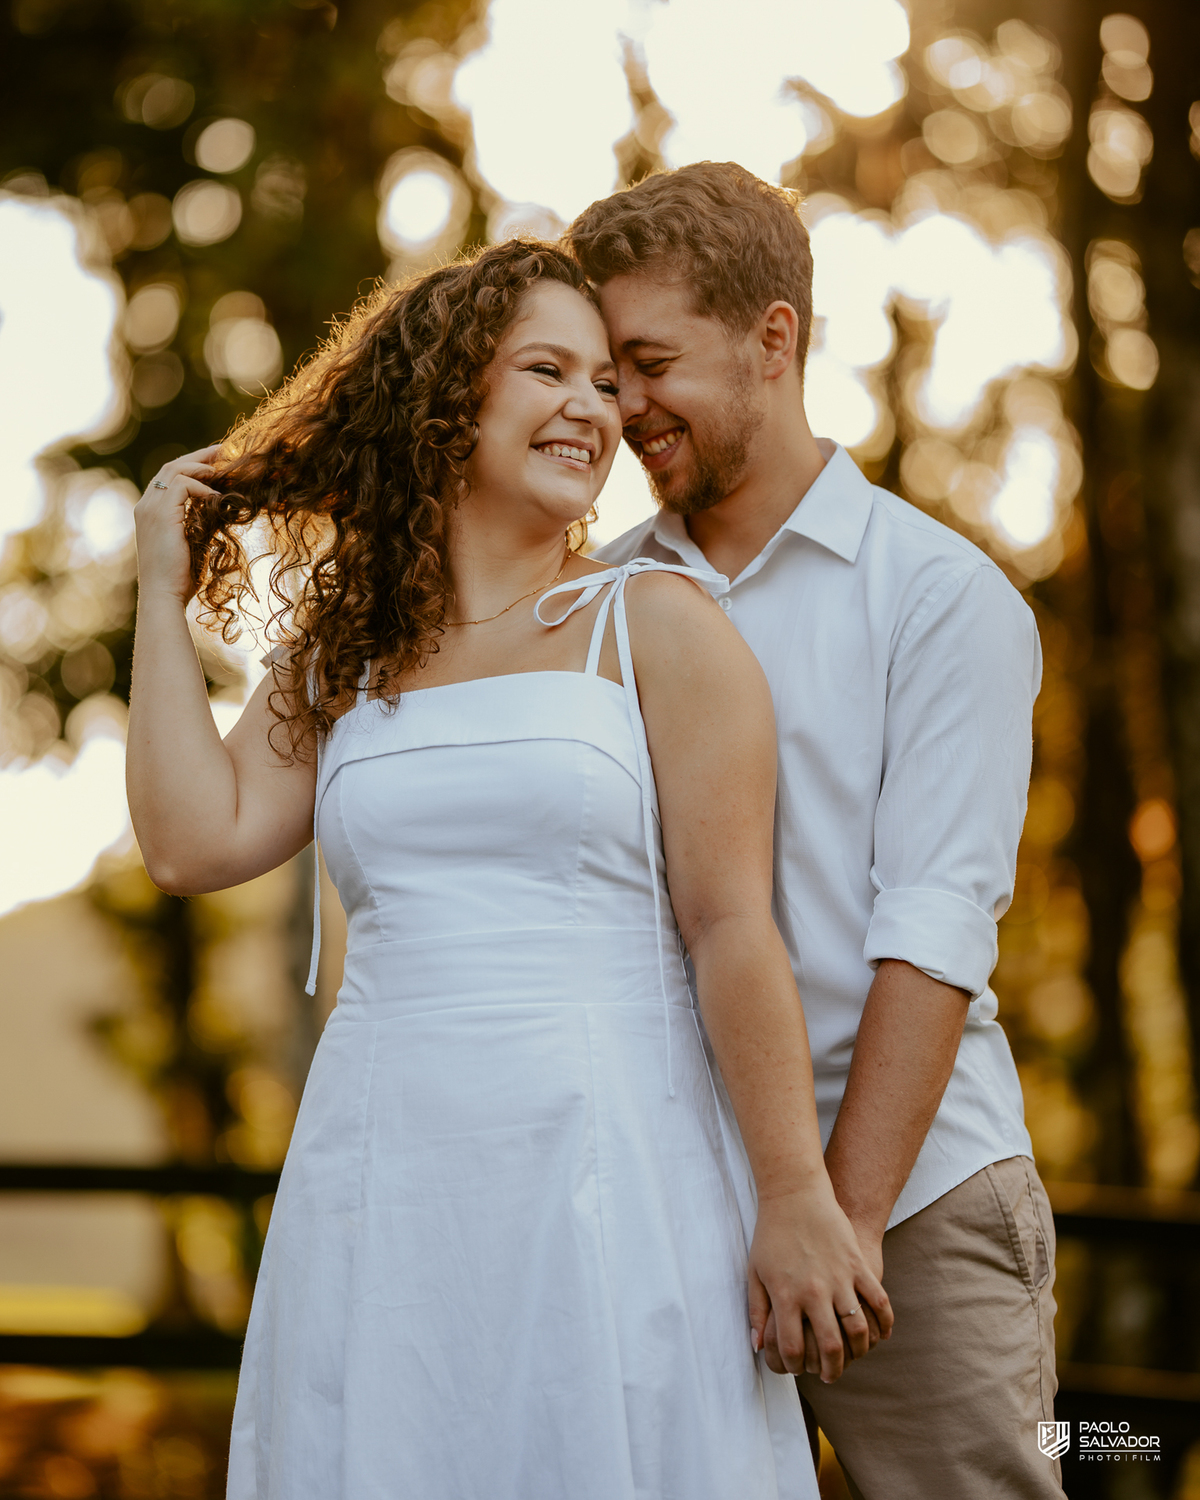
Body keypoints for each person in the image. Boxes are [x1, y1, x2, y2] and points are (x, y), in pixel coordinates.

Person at [125, 238, 891, 1500]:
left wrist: (793, 1194)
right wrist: (161, 589)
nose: (593, 408)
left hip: (609, 1165)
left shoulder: (654, 628)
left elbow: (733, 931)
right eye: (548, 369)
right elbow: (188, 840)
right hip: (386, 1170)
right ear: (445, 398)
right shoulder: (346, 658)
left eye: (605, 381)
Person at [569, 162, 1061, 1500]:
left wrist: (833, 1220)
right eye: (607, 375)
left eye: (651, 361)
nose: (622, 409)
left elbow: (933, 933)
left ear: (772, 337)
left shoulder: (939, 601)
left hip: (908, 1202)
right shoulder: (584, 607)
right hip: (662, 1199)